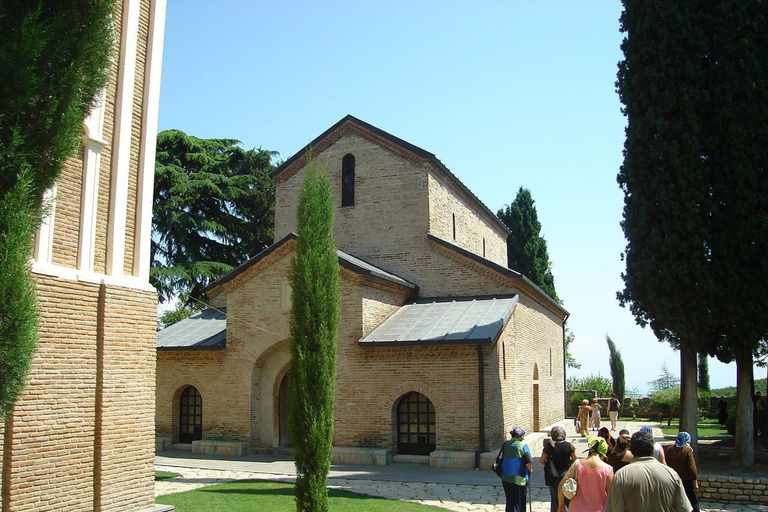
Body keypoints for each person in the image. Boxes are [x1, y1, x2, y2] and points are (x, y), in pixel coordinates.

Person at [604, 430, 691, 512]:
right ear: (653, 450)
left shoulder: (621, 476)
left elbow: (613, 509)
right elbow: (684, 508)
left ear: (632, 451)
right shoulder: (671, 474)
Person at [557, 437, 613, 512]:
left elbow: (561, 485)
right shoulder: (608, 469)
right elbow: (612, 495)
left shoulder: (577, 464)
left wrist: (561, 506)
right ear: (604, 453)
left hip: (576, 509)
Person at [540, 425, 577, 512]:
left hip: (553, 476)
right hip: (566, 475)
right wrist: (569, 463)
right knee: (567, 496)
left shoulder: (548, 446)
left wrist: (549, 465)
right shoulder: (569, 446)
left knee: (554, 498)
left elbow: (542, 461)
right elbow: (576, 460)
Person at [664, 431, 699, 512]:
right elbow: (692, 468)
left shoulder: (670, 448)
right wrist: (695, 482)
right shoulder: (687, 450)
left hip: (672, 478)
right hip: (686, 480)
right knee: (692, 501)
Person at [501, 427, 532, 512]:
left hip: (505, 476)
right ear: (519, 436)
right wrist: (530, 470)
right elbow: (528, 461)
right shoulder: (523, 446)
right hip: (519, 477)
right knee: (519, 500)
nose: (524, 437)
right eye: (522, 435)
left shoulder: (506, 444)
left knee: (510, 499)